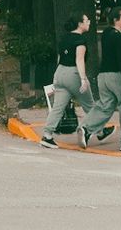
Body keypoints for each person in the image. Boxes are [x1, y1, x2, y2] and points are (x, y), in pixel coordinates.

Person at [78, 7, 121, 152]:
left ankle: (86, 128)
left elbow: (115, 53)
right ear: (116, 20)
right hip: (117, 76)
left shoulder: (107, 33)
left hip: (103, 76)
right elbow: (120, 58)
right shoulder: (118, 37)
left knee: (105, 106)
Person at [40, 13, 95, 149]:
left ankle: (47, 135)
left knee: (58, 107)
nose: (89, 22)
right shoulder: (80, 41)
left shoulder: (64, 38)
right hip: (73, 73)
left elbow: (60, 58)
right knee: (89, 104)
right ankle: (98, 129)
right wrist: (83, 79)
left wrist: (56, 77)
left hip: (60, 73)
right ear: (80, 24)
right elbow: (79, 60)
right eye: (87, 20)